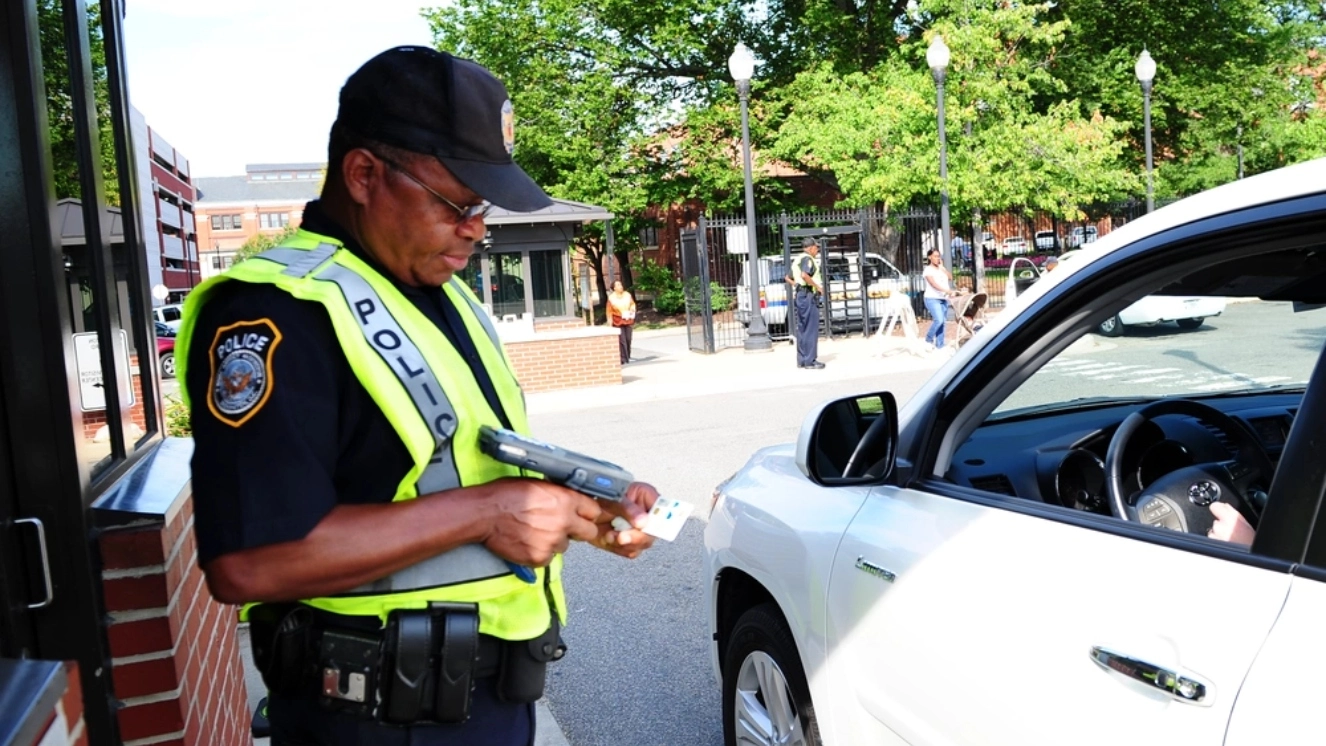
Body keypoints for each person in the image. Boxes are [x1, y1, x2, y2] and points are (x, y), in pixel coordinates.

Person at [176, 46, 659, 745]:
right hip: (377, 718)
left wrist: (583, 503)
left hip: (488, 699)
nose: (476, 227)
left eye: (481, 205)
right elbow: (249, 561)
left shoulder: (439, 292)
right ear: (365, 174)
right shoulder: (276, 313)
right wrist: (492, 512)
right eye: (457, 202)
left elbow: (465, 461)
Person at [787, 237, 825, 369]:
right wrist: (818, 287)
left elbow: (787, 277)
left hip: (801, 295)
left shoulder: (798, 259)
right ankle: (810, 361)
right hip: (808, 295)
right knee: (810, 328)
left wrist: (797, 286)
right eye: (816, 247)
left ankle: (802, 360)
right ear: (810, 248)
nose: (817, 250)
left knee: (802, 328)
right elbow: (804, 275)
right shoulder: (808, 259)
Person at [923, 247, 958, 349]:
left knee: (943, 322)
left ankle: (940, 344)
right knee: (939, 320)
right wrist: (946, 291)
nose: (938, 258)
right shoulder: (928, 270)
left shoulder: (941, 269)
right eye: (935, 256)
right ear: (930, 257)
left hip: (943, 299)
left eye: (939, 256)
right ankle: (928, 339)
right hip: (932, 298)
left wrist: (943, 268)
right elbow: (933, 284)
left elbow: (950, 277)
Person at [606, 280, 636, 364]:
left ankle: (627, 355)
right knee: (622, 341)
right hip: (618, 321)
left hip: (628, 320)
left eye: (621, 284)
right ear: (614, 288)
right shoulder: (611, 298)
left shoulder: (627, 295)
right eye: (618, 285)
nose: (621, 286)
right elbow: (609, 311)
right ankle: (623, 359)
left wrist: (632, 310)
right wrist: (610, 323)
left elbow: (632, 304)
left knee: (628, 339)